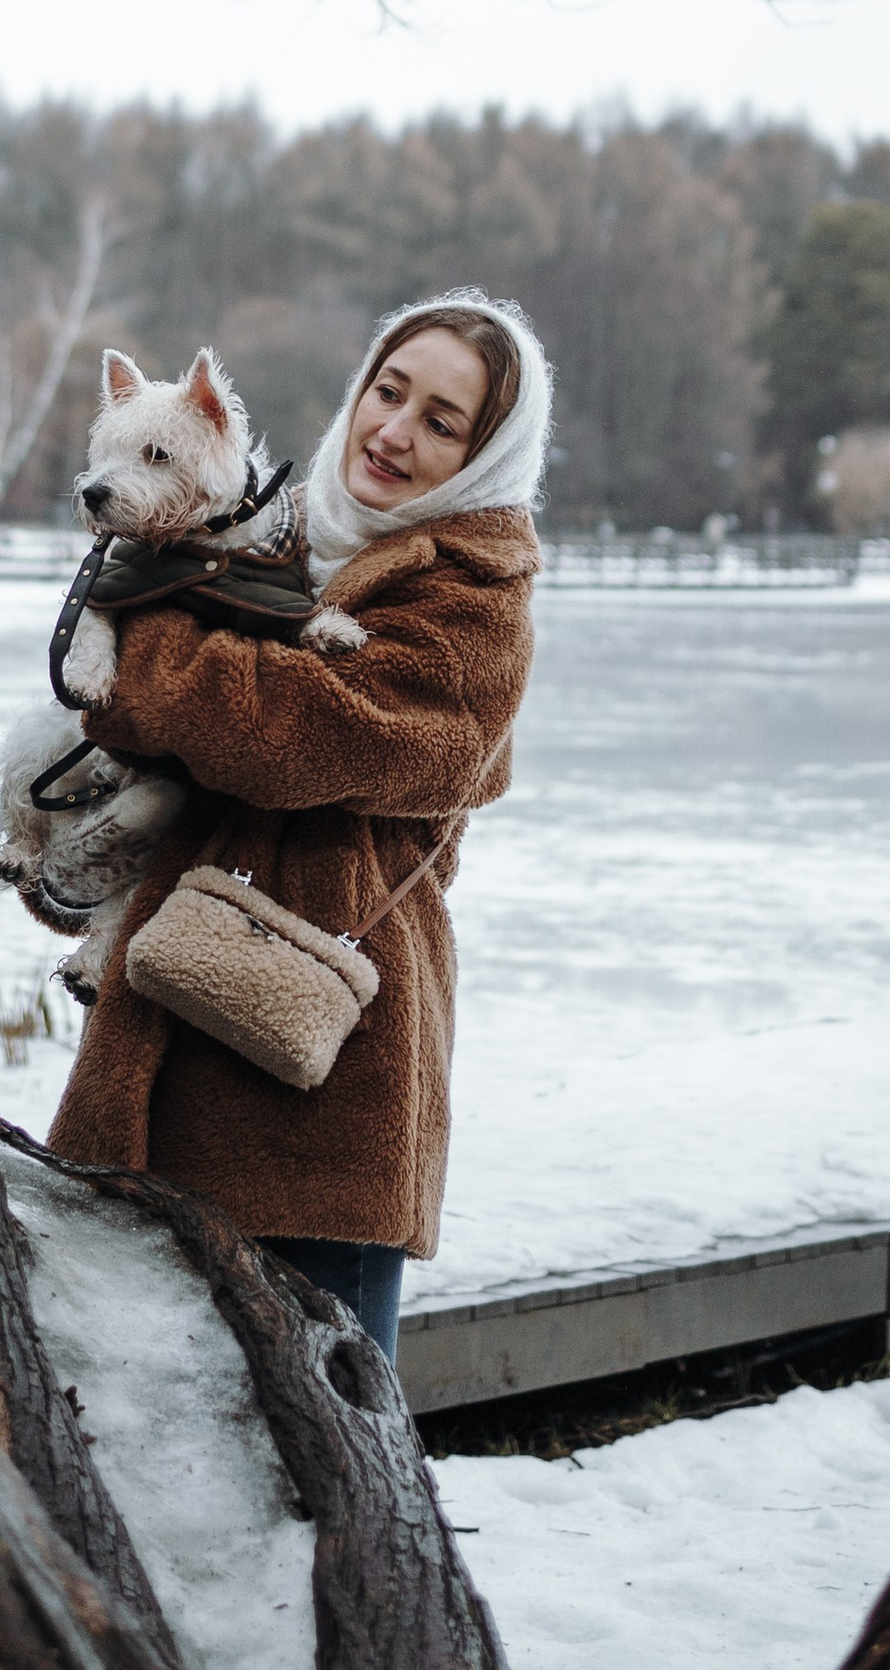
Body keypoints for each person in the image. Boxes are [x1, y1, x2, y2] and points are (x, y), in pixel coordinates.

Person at [46, 288, 549, 1363]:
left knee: (317, 1427)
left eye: (442, 422)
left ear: (486, 456)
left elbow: (295, 734)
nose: (394, 431)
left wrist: (146, 652)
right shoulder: (279, 534)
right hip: (171, 1013)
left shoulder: (475, 602)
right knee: (158, 1417)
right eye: (389, 390)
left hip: (323, 1073)